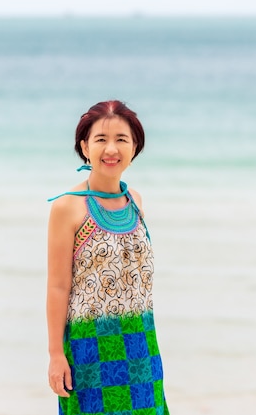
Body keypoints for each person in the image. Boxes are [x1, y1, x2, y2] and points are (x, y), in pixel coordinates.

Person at [46, 100, 170, 414]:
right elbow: (58, 287)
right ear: (85, 146)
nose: (111, 149)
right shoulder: (67, 207)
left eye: (121, 139)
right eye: (101, 139)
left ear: (135, 146)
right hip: (90, 349)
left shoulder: (135, 201)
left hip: (141, 345)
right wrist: (56, 355)